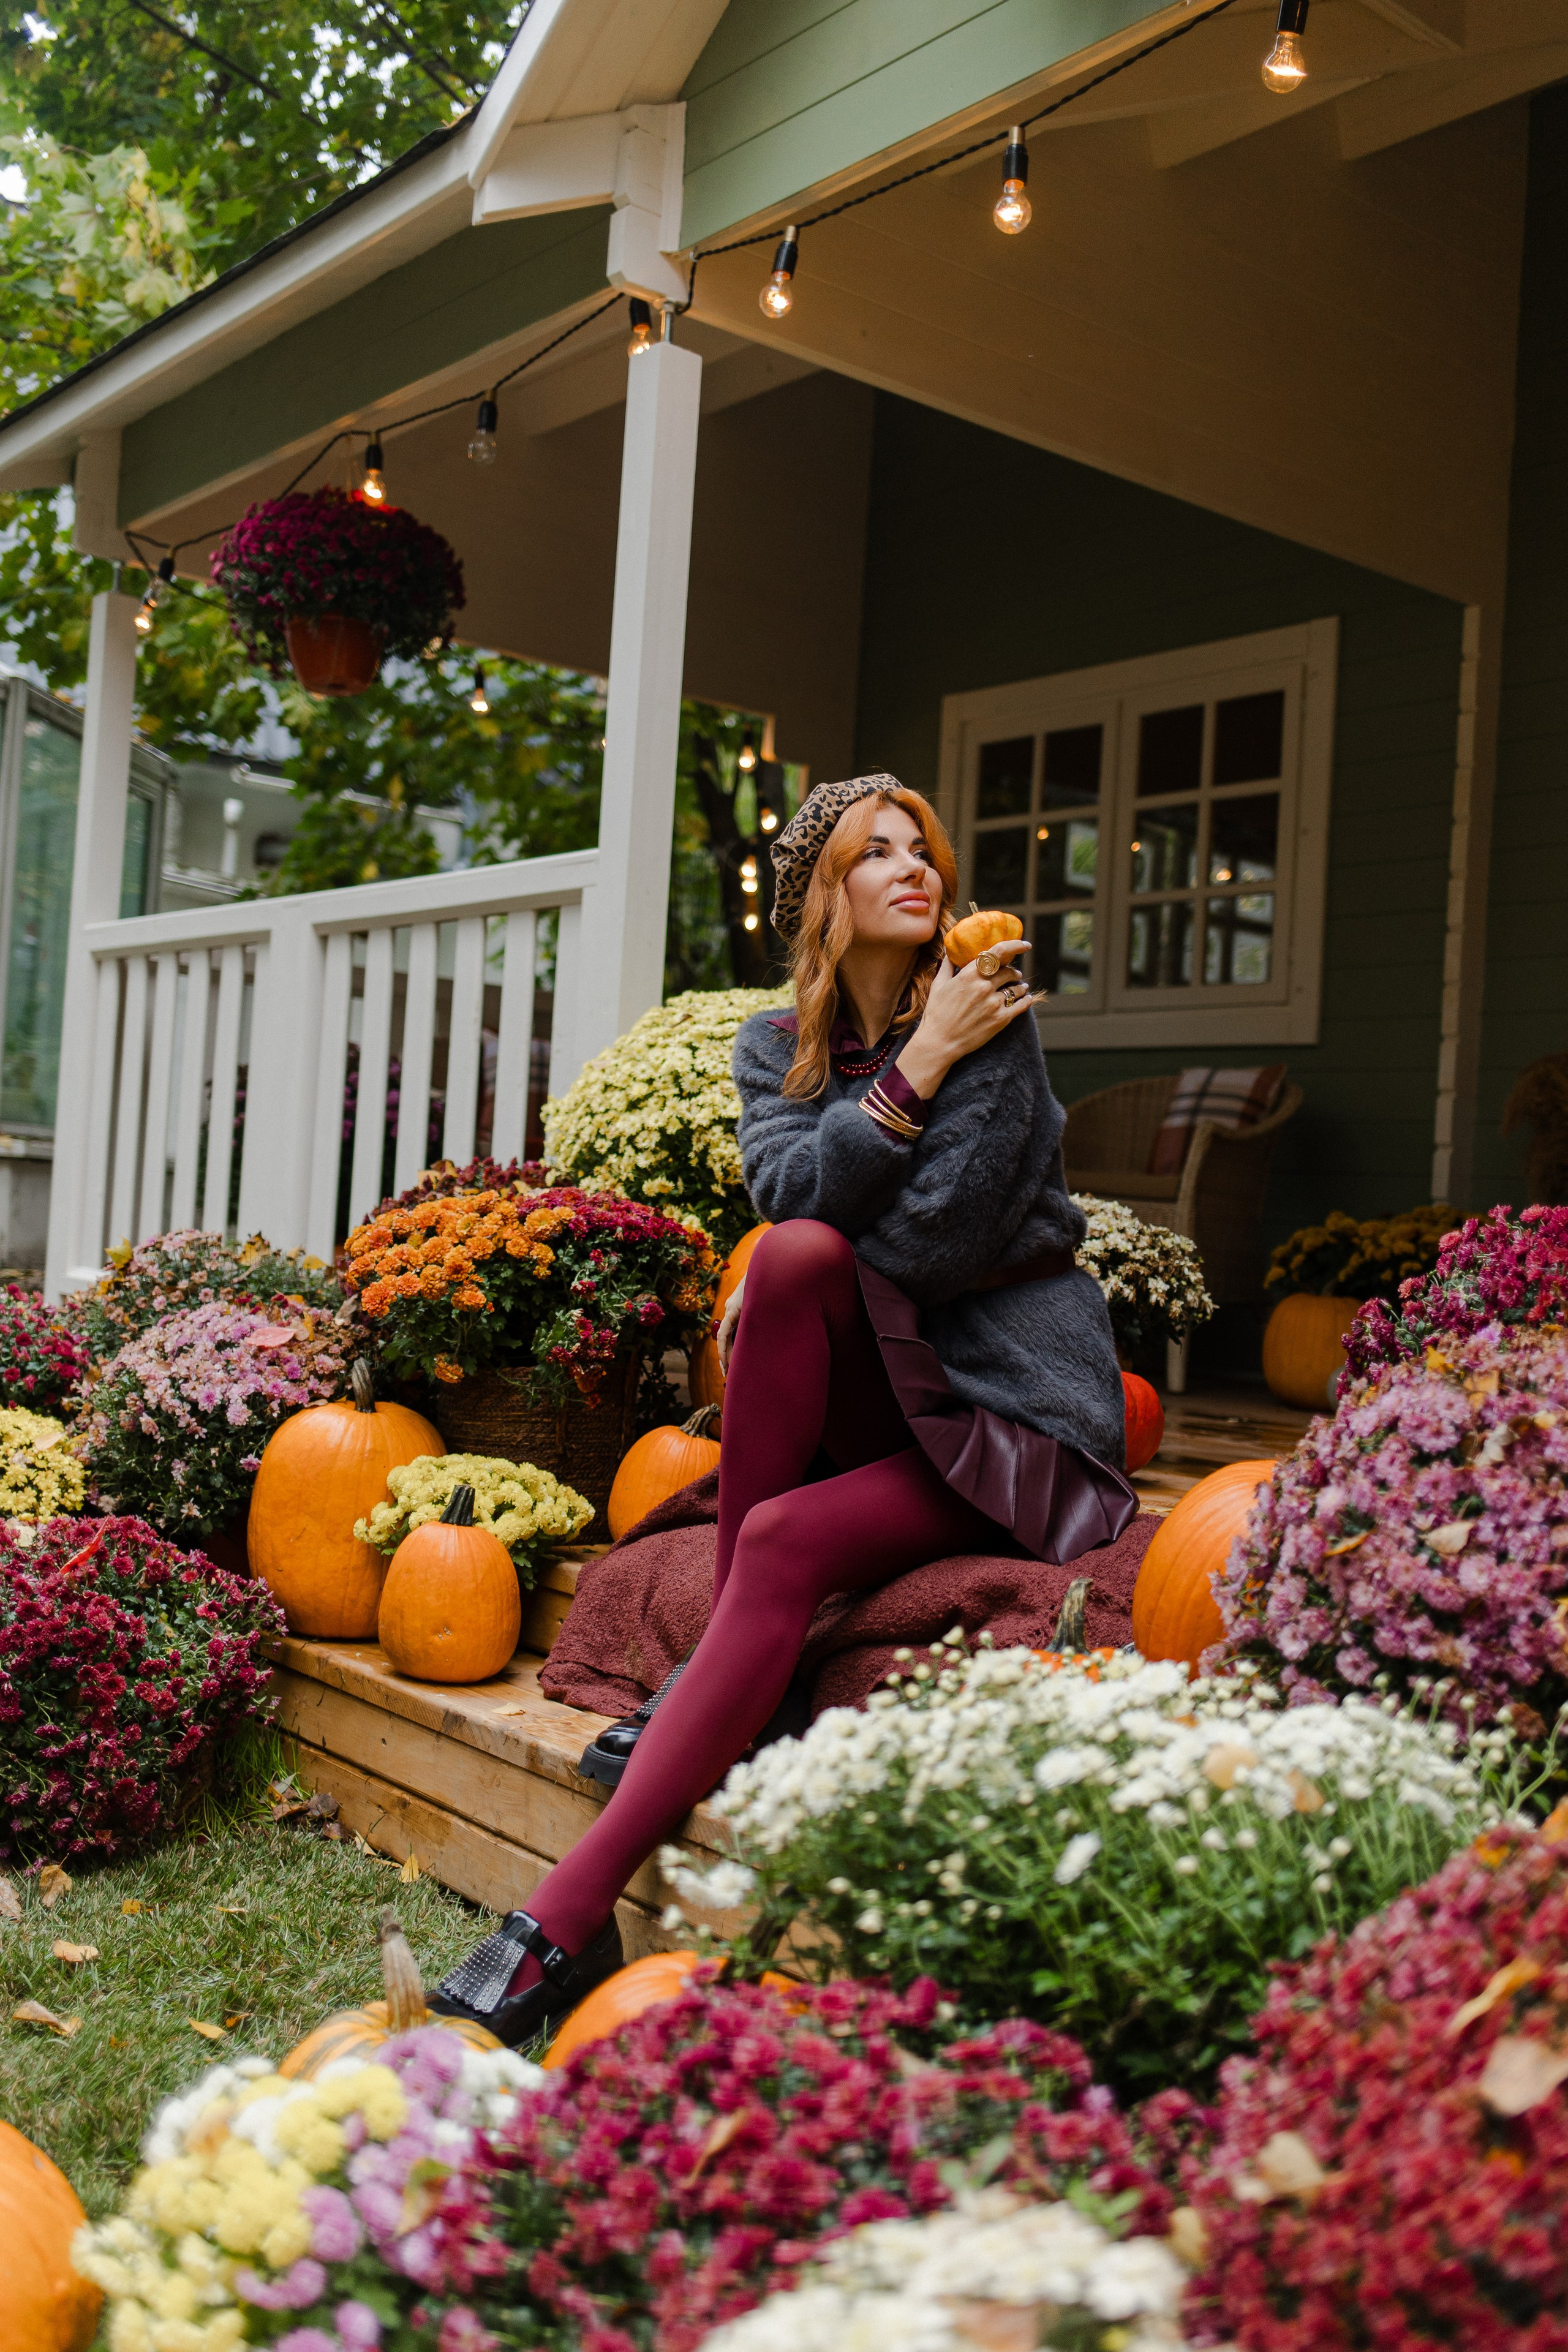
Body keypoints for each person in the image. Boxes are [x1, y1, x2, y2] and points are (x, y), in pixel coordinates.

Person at [431, 772, 1134, 2043]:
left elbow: (928, 1244)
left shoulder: (993, 1018)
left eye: (920, 848)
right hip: (892, 1380)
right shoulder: (776, 1046)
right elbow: (785, 1198)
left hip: (1011, 1410)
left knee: (784, 1513)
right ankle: (727, 1662)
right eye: (876, 855)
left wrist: (919, 1070)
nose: (913, 869)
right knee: (796, 1260)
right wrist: (910, 1071)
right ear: (826, 899)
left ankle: (560, 1918)